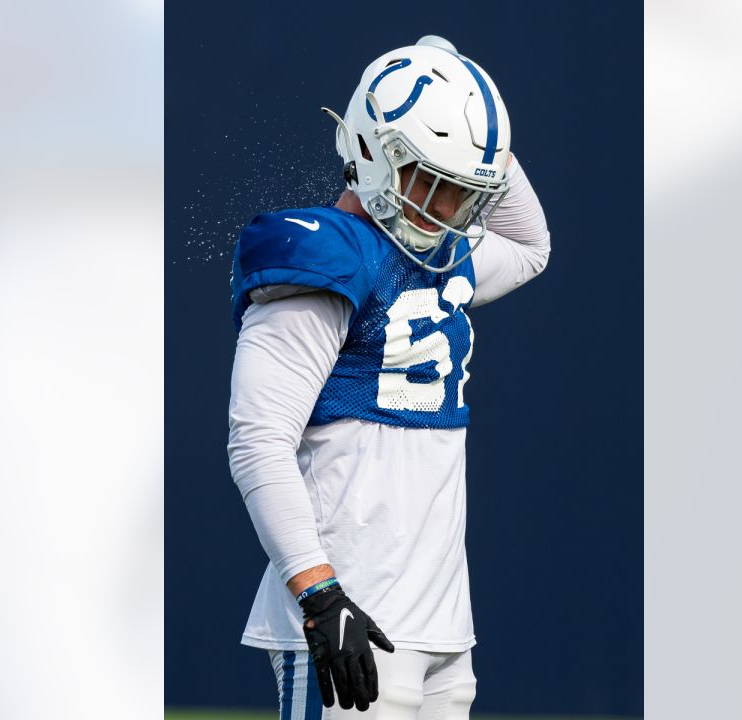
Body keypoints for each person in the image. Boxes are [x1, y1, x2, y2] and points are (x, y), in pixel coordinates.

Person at [228, 35, 550, 718]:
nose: (445, 209)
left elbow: (529, 245)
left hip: (441, 630)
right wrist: (319, 595)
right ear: (374, 151)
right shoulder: (328, 257)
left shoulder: (445, 260)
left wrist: (480, 131)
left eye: (464, 193)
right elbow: (258, 440)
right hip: (355, 617)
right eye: (430, 181)